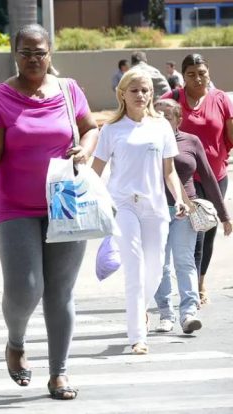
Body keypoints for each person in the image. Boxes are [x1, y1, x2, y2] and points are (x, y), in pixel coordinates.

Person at [0, 24, 99, 400]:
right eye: (26, 52)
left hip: (64, 201)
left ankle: (58, 372)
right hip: (14, 206)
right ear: (15, 54)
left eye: (39, 52)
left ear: (50, 54)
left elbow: (90, 128)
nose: (33, 59)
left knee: (60, 292)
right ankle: (15, 342)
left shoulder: (68, 89)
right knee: (26, 287)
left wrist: (87, 149)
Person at [92, 68, 188, 355]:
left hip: (155, 206)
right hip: (123, 205)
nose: (141, 95)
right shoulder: (110, 129)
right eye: (134, 90)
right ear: (122, 93)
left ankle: (141, 311)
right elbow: (95, 171)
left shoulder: (161, 128)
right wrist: (88, 201)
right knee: (134, 268)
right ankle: (137, 336)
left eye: (145, 90)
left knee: (156, 269)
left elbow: (169, 171)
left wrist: (179, 198)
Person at [152, 99, 231, 335]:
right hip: (154, 212)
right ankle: (165, 314)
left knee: (184, 260)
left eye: (167, 116)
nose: (162, 120)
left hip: (184, 210)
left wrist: (224, 215)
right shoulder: (147, 142)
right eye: (157, 116)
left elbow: (208, 177)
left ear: (178, 119)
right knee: (160, 264)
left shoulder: (191, 141)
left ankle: (188, 313)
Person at [162, 54, 233, 306]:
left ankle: (200, 281)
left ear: (208, 72)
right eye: (191, 74)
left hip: (216, 174)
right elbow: (151, 120)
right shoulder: (172, 99)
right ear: (183, 76)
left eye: (201, 72)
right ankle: (189, 287)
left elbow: (230, 133)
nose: (197, 78)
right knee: (194, 233)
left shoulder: (220, 98)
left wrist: (222, 155)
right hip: (183, 178)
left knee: (208, 230)